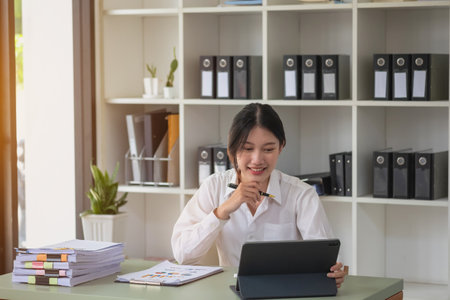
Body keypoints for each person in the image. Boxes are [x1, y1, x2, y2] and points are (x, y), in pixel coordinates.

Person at [171, 103, 346, 288]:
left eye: (268, 149)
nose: (257, 160)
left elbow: (325, 260)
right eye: (247, 148)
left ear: (281, 147)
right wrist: (223, 211)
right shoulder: (214, 187)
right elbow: (183, 255)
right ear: (232, 150)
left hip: (285, 293)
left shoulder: (301, 194)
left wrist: (334, 272)